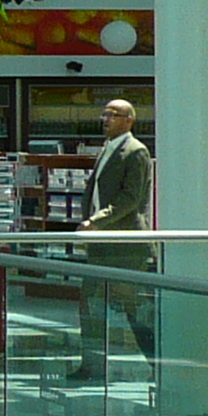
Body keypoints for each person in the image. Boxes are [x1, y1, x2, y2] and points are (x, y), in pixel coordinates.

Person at [67, 97, 154, 378]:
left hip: (125, 247)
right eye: (104, 114)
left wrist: (96, 220)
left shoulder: (135, 152)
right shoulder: (107, 149)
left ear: (130, 120)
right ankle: (91, 365)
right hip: (100, 245)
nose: (106, 119)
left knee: (135, 311)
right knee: (91, 306)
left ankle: (159, 366)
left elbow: (131, 198)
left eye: (113, 115)